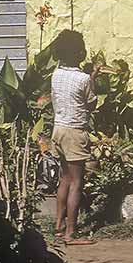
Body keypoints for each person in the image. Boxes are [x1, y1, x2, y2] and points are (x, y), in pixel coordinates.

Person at [48, 29, 97, 246]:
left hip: (58, 130)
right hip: (75, 132)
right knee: (77, 182)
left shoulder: (56, 75)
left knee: (64, 179)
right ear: (79, 52)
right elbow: (91, 103)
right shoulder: (84, 79)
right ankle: (70, 234)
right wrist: (93, 78)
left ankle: (58, 227)